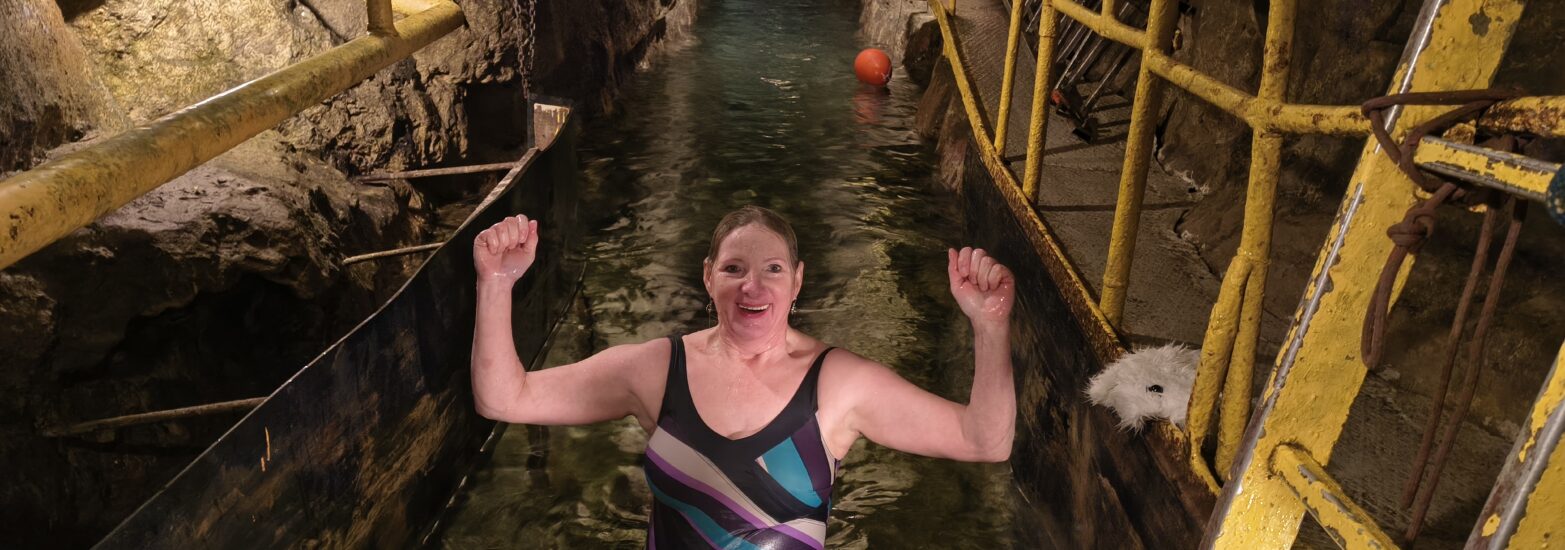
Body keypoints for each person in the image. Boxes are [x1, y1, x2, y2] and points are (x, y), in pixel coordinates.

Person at [471, 205, 1015, 549]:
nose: (752, 286)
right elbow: (505, 399)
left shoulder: (838, 386)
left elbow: (984, 440)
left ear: (797, 282)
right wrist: (496, 283)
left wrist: (990, 325)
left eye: (772, 269)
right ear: (709, 278)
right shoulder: (657, 370)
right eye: (734, 268)